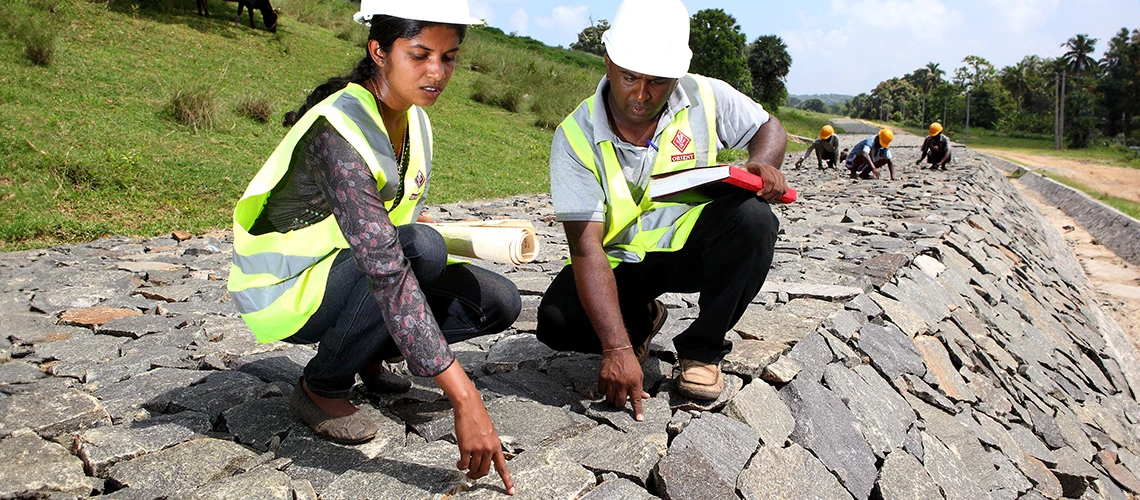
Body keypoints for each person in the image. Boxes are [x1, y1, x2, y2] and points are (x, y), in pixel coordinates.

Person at [227, 1, 517, 492]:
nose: (436, 72)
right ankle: (320, 385)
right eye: (420, 54)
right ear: (378, 50)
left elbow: (395, 217)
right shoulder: (337, 131)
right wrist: (466, 399)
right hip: (287, 291)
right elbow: (387, 264)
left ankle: (366, 351)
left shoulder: (414, 117)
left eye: (448, 57)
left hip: (351, 273)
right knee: (420, 250)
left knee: (497, 302)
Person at [536, 0, 787, 420]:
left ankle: (703, 350)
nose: (640, 93)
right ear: (608, 62)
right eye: (630, 76)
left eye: (657, 81)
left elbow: (769, 127)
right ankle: (641, 318)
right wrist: (616, 346)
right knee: (557, 322)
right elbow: (586, 249)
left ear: (677, 75)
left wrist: (763, 162)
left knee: (755, 220)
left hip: (693, 249)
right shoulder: (574, 136)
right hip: (621, 262)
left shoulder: (704, 94)